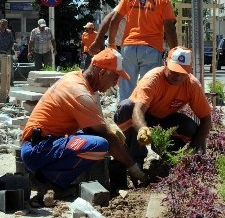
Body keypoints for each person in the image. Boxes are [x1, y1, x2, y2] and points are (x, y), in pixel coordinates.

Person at [21, 48, 146, 198]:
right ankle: (50, 181)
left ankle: (48, 177)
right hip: (38, 149)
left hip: (42, 144)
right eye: (115, 77)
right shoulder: (79, 92)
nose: (116, 82)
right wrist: (133, 167)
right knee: (99, 145)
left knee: (93, 138)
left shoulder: (76, 78)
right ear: (102, 73)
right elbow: (103, 134)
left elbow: (93, 125)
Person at [113, 46, 212, 168]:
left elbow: (206, 118)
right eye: (174, 71)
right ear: (165, 63)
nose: (178, 77)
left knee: (190, 128)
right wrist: (142, 129)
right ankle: (134, 159)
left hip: (166, 119)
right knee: (125, 107)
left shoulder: (192, 85)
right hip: (144, 117)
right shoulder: (152, 79)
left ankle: (168, 157)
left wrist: (194, 148)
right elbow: (138, 110)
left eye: (182, 73)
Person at [90, 0, 178, 100]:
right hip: (151, 49)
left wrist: (112, 44)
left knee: (125, 88)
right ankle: (144, 118)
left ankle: (123, 117)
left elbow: (114, 20)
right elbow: (169, 28)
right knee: (148, 87)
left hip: (128, 49)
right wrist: (174, 52)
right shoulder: (163, 0)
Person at [0, 18, 15, 85]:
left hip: (7, 51)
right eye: (2, 24)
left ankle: (10, 81)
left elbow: (12, 41)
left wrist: (9, 49)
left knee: (9, 67)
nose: (4, 26)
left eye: (5, 24)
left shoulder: (9, 32)